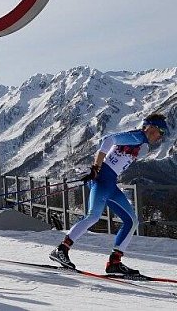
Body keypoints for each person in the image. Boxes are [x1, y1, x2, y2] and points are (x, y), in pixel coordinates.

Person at [49, 113, 170, 275]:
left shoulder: (143, 145)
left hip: (110, 183)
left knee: (131, 220)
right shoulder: (137, 137)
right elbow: (108, 140)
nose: (160, 136)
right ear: (149, 127)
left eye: (163, 133)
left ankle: (114, 262)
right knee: (93, 216)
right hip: (102, 180)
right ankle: (61, 249)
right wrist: (96, 168)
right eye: (160, 130)